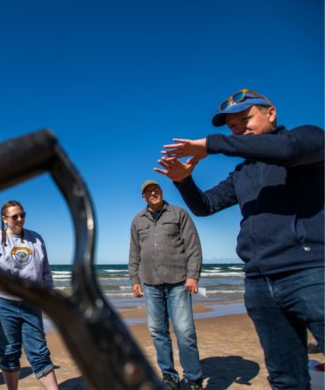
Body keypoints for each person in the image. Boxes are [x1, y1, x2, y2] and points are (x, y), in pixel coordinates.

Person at [156, 88, 324, 389]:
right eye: (232, 127)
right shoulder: (242, 173)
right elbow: (205, 206)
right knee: (286, 378)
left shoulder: (307, 139)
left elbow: (287, 150)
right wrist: (183, 181)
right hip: (260, 282)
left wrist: (213, 144)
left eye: (245, 119)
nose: (239, 130)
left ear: (270, 113)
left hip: (312, 273)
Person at [0, 200, 58, 390]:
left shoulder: (36, 239)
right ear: (4, 219)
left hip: (32, 303)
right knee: (9, 351)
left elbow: (45, 273)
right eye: (14, 216)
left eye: (22, 215)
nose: (20, 219)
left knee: (39, 351)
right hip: (3, 304)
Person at [129, 180, 204, 390]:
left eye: (156, 190)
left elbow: (193, 246)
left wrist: (193, 276)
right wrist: (134, 279)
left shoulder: (178, 214)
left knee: (185, 331)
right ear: (143, 196)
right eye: (148, 192)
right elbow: (134, 253)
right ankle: (169, 376)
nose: (153, 193)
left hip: (179, 282)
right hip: (151, 284)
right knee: (157, 332)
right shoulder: (137, 221)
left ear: (161, 192)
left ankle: (192, 378)